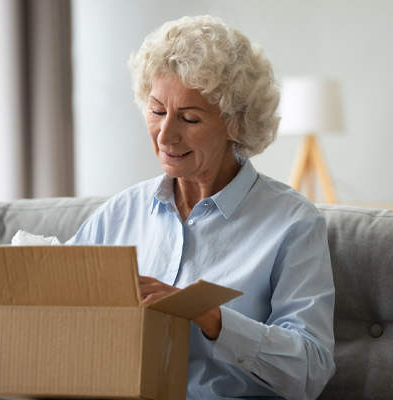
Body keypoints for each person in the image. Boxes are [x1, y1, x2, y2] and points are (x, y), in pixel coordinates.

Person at [66, 15, 335, 400]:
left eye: (189, 118)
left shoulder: (293, 223)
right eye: (157, 111)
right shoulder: (120, 213)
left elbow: (310, 369)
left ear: (236, 124)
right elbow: (56, 300)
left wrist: (210, 317)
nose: (165, 134)